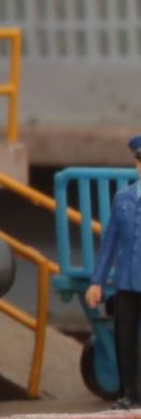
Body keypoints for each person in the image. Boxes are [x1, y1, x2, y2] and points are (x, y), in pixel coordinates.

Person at [86, 134, 141, 409]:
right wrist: (97, 281)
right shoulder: (123, 198)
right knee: (124, 339)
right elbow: (109, 243)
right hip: (127, 282)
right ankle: (128, 394)